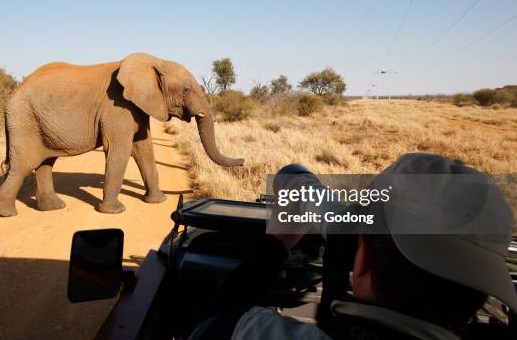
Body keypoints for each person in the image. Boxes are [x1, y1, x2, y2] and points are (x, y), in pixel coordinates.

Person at [192, 153, 517, 339]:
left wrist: (276, 242)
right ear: (484, 287)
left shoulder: (262, 333)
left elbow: (206, 330)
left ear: (360, 262)